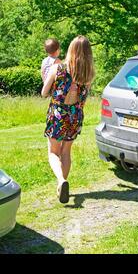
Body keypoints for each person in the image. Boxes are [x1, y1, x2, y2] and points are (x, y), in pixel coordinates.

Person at [41, 36, 95, 203]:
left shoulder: (57, 68)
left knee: (53, 152)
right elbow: (83, 100)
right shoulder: (88, 73)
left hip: (58, 113)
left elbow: (44, 92)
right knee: (66, 152)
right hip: (75, 114)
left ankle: (61, 181)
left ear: (71, 49)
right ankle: (61, 188)